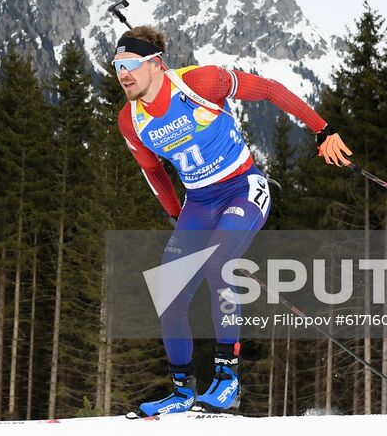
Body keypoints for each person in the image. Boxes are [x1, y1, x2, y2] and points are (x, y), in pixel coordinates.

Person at [112, 25, 351, 416]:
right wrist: (176, 214)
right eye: (118, 66)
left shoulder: (201, 82)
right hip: (198, 203)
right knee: (170, 293)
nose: (123, 74)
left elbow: (270, 89)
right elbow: (154, 172)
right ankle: (181, 390)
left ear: (155, 64)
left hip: (244, 189)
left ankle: (227, 379)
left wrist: (323, 130)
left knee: (220, 263)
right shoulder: (131, 121)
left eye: (131, 64)